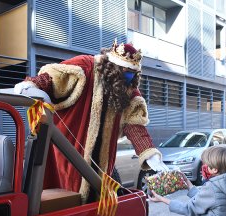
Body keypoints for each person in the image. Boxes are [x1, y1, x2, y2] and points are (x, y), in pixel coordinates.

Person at [14, 40, 167, 202]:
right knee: (66, 198)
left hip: (103, 163)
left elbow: (134, 125)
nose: (129, 78)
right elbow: (53, 79)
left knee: (98, 202)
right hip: (67, 154)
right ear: (112, 66)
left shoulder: (128, 90)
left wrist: (149, 153)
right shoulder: (85, 68)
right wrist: (33, 84)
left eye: (132, 73)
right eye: (125, 71)